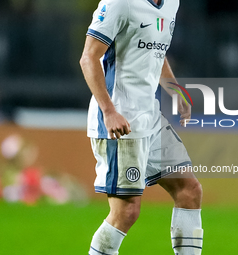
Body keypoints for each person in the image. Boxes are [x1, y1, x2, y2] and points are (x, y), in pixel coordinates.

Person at [80, 0, 203, 254]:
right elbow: (88, 57)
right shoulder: (119, 3)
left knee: (189, 190)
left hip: (151, 117)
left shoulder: (171, 3)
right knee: (126, 212)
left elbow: (155, 52)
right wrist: (109, 111)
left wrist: (175, 90)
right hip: (120, 122)